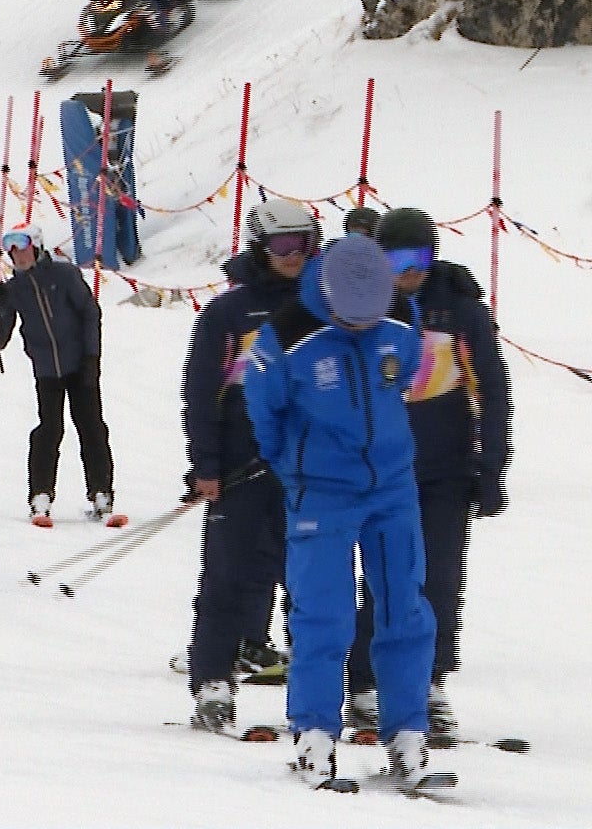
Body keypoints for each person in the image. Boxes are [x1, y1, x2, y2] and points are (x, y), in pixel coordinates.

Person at [244, 234, 446, 793]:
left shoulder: (400, 321)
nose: (361, 328)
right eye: (349, 321)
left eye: (370, 320)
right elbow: (264, 408)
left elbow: (403, 376)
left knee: (405, 608)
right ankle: (314, 734)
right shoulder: (286, 338)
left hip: (393, 488)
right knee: (324, 614)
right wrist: (293, 465)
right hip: (321, 492)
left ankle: (408, 735)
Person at [345, 208, 512, 743]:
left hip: (445, 467)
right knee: (383, 576)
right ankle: (366, 682)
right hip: (380, 468)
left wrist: (491, 467)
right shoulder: (362, 305)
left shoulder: (458, 307)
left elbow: (492, 389)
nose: (409, 271)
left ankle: (429, 681)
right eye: (397, 260)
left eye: (419, 258)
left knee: (439, 578)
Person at [179, 199, 318, 734]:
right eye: (282, 245)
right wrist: (206, 465)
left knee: (310, 583)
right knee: (226, 578)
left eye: (302, 244)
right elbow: (200, 393)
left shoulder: (325, 306)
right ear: (261, 246)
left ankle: (315, 687)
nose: (292, 255)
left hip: (306, 471)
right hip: (241, 469)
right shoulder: (229, 313)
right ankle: (213, 681)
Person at [0, 221, 115, 526]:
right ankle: (40, 495)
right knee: (49, 430)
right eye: (12, 250)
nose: (18, 255)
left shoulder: (64, 275)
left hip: (80, 364)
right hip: (46, 369)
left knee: (91, 427)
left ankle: (101, 492)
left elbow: (90, 313)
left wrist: (92, 356)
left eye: (23, 247)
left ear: (37, 247)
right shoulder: (14, 288)